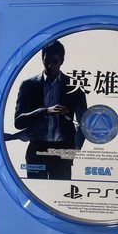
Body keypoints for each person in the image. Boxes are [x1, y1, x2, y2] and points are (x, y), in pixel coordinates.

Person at [14, 39, 87, 180]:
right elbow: (18, 122)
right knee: (34, 190)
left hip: (63, 152)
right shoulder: (28, 86)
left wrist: (75, 149)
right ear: (42, 58)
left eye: (54, 62)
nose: (50, 66)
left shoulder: (75, 87)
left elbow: (84, 123)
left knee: (61, 192)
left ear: (62, 61)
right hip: (36, 151)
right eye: (46, 61)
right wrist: (45, 111)